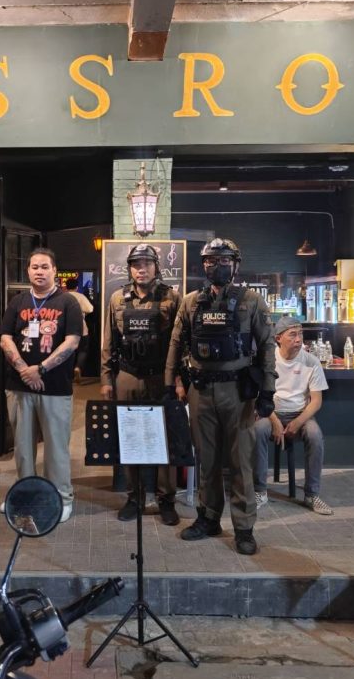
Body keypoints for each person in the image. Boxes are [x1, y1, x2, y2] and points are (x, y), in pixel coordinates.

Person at [164, 237, 276, 555]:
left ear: (235, 265)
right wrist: (170, 383)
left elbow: (267, 345)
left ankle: (244, 528)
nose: (217, 266)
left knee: (241, 462)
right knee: (206, 460)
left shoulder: (252, 301)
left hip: (238, 392)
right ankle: (209, 518)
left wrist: (268, 390)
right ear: (203, 265)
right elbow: (176, 343)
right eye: (211, 261)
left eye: (224, 260)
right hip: (200, 391)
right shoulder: (190, 302)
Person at [101, 243, 181, 526]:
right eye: (136, 264)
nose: (141, 269)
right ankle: (134, 497)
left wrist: (178, 380)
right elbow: (108, 342)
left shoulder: (171, 297)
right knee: (130, 437)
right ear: (130, 269)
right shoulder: (117, 298)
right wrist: (106, 380)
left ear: (156, 267)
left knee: (165, 439)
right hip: (128, 376)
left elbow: (179, 342)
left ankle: (166, 500)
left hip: (161, 377)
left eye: (147, 263)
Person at [0, 248, 82, 521]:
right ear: (28, 271)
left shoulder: (68, 302)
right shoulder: (18, 302)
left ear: (54, 270)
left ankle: (61, 497)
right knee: (23, 449)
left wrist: (41, 369)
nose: (39, 271)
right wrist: (24, 369)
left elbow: (72, 341)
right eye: (34, 267)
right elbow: (5, 338)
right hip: (19, 385)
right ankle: (25, 495)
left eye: (45, 267)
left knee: (56, 447)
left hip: (55, 387)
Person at [255, 316, 332, 515]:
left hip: (300, 414)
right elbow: (258, 395)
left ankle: (312, 494)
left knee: (315, 435)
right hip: (271, 412)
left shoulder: (311, 361)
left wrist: (298, 422)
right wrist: (274, 421)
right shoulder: (267, 360)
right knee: (257, 431)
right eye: (292, 335)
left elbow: (316, 401)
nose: (298, 339)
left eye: (300, 334)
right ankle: (260, 491)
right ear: (278, 338)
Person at [64, 277, 93, 381]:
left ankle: (68, 374)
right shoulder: (80, 296)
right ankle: (78, 367)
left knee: (67, 351)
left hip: (65, 329)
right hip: (81, 328)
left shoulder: (62, 297)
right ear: (76, 287)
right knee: (83, 350)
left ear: (66, 287)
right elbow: (90, 309)